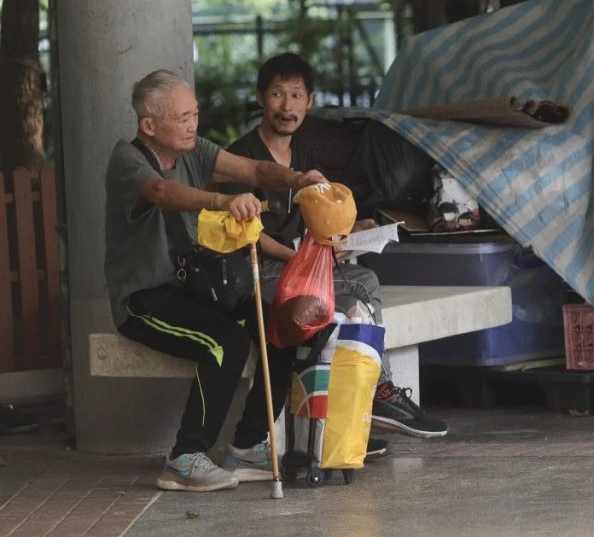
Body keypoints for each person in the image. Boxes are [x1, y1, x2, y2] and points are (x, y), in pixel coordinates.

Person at [104, 70, 326, 492]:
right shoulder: (128, 161)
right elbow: (164, 194)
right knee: (226, 340)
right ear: (149, 126)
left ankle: (246, 445)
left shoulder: (194, 149)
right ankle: (185, 456)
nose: (193, 124)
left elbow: (256, 169)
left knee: (281, 323)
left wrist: (298, 180)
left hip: (194, 287)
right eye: (182, 117)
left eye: (195, 114)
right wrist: (223, 200)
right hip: (144, 299)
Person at [222, 52, 448, 446]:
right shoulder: (242, 155)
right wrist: (298, 259)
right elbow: (250, 235)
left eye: (296, 95)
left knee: (361, 280)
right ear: (260, 98)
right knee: (352, 299)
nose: (287, 105)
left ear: (310, 102)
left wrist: (349, 233)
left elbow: (317, 219)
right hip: (259, 268)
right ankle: (378, 397)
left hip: (296, 262)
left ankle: (349, 420)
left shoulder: (304, 153)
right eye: (277, 94)